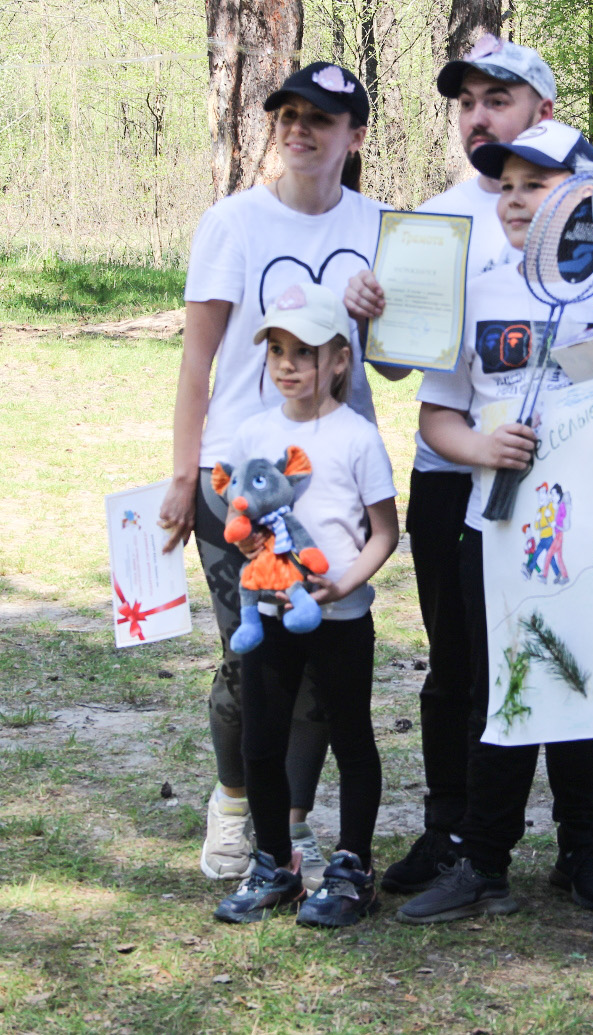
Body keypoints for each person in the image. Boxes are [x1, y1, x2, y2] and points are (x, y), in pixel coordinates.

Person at [345, 33, 593, 906]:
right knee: (468, 667)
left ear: (543, 114)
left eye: (499, 100)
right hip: (468, 485)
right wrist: (372, 323)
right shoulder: (433, 223)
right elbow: (415, 373)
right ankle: (461, 837)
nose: (480, 117)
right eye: (467, 103)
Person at [398, 119, 593, 948]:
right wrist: (478, 447)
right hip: (501, 527)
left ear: (583, 194)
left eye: (538, 184)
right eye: (508, 185)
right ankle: (483, 863)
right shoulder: (482, 287)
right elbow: (439, 411)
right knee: (503, 688)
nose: (517, 199)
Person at [160, 61, 392, 890]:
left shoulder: (381, 227)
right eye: (287, 114)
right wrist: (185, 475)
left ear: (353, 136)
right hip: (240, 478)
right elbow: (197, 360)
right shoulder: (232, 224)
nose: (299, 129)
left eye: (320, 119)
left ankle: (285, 828)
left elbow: (395, 368)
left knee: (325, 670)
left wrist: (381, 315)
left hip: (335, 476)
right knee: (251, 667)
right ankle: (234, 803)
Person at [210, 282, 399, 927]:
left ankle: (352, 870)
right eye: (277, 351)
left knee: (351, 739)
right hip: (269, 614)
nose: (288, 364)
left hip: (340, 617)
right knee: (263, 742)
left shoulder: (357, 438)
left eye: (304, 352)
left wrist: (345, 584)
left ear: (339, 360)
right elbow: (244, 517)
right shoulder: (252, 433)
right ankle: (274, 864)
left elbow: (384, 532)